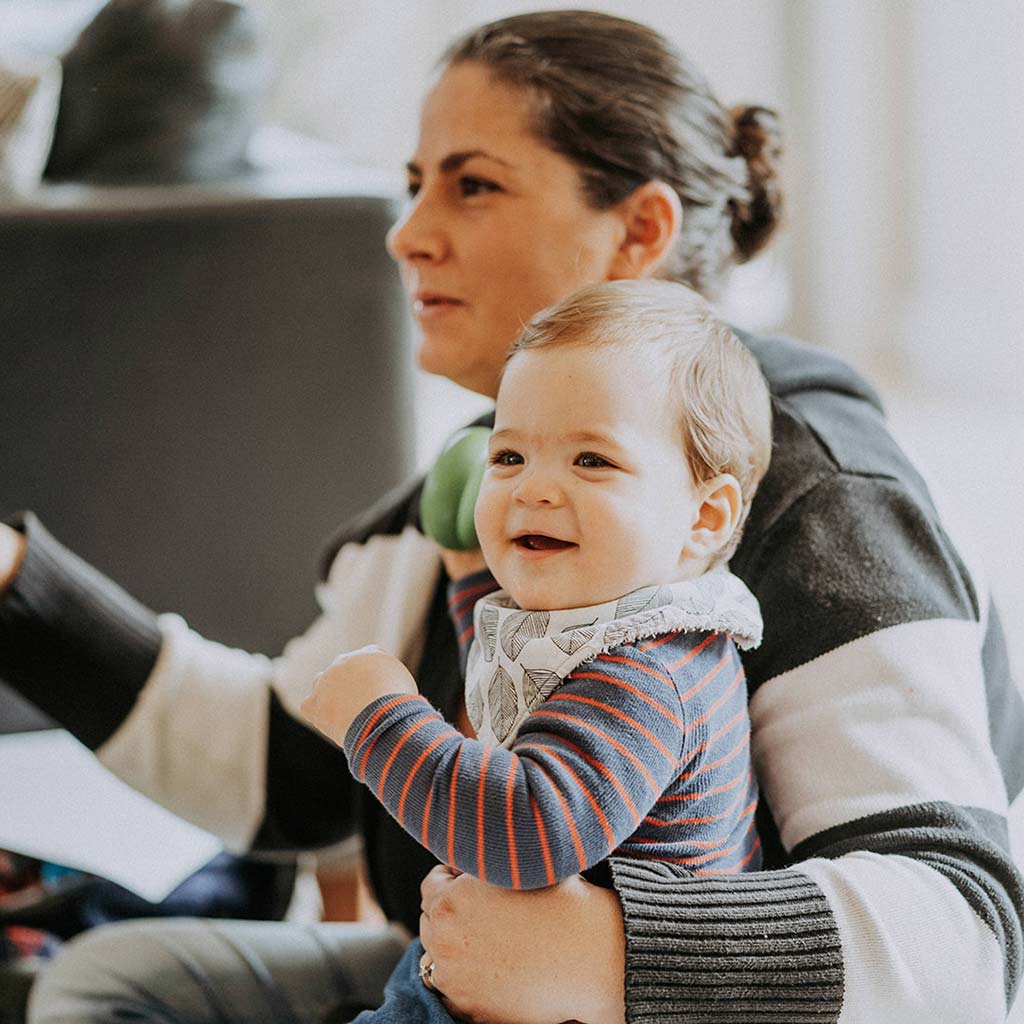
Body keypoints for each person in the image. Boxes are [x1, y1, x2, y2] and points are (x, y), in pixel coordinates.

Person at [0, 9, 1020, 1024]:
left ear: (640, 230)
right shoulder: (485, 479)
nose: (406, 233)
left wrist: (611, 952)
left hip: (653, 1002)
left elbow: (967, 934)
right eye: (411, 186)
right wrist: (18, 589)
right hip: (451, 965)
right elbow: (296, 767)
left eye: (472, 184)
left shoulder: (823, 499)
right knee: (117, 975)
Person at [300, 279, 771, 1022]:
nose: (533, 490)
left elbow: (529, 829)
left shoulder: (649, 673)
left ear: (705, 516)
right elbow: (511, 678)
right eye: (510, 456)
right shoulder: (600, 620)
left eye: (591, 461)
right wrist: (465, 584)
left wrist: (379, 720)